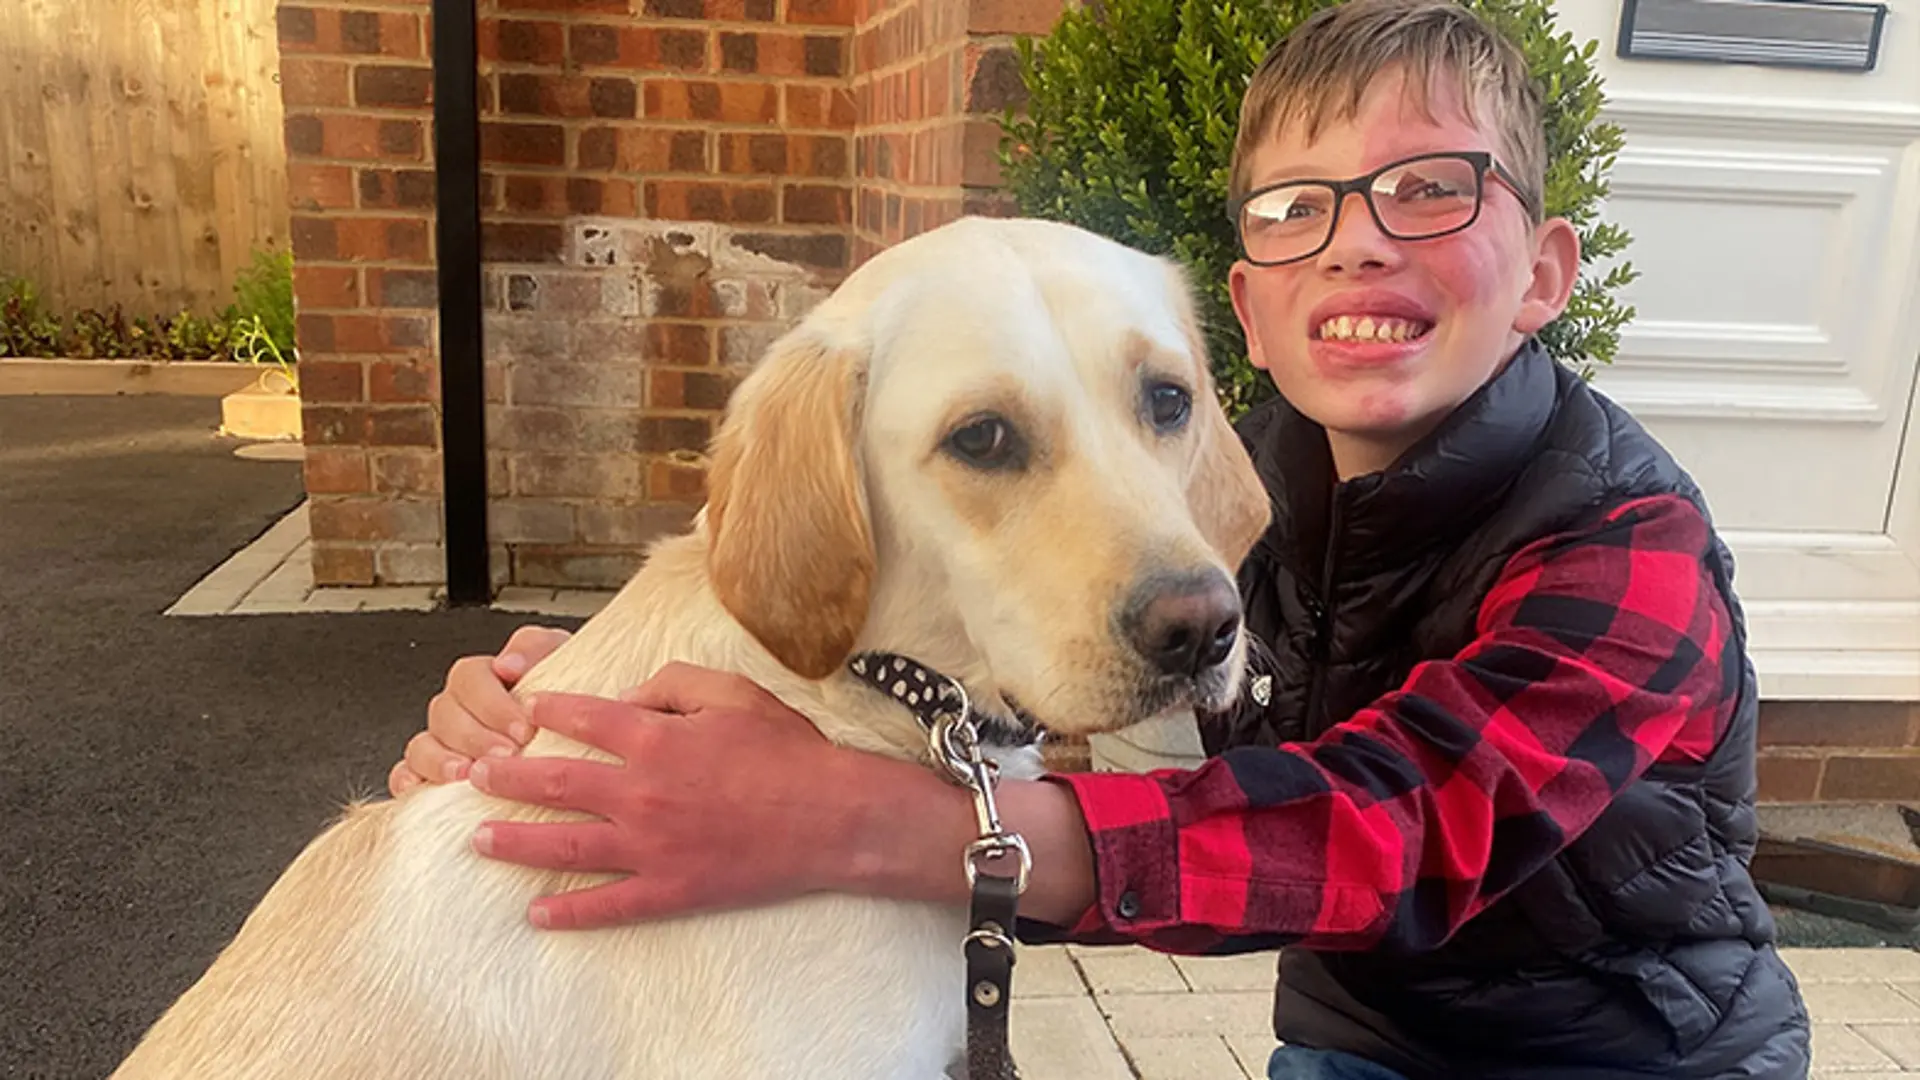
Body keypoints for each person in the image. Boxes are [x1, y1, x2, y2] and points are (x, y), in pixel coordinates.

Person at [389, 1, 1812, 1076]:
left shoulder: (1632, 546)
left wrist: (880, 824)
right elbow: (1013, 715)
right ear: (1253, 313)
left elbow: (1378, 831)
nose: (1362, 244)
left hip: (1638, 1053)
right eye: (1298, 209)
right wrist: (554, 707)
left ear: (1547, 274)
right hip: (1356, 1031)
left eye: (1431, 188)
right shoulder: (1227, 477)